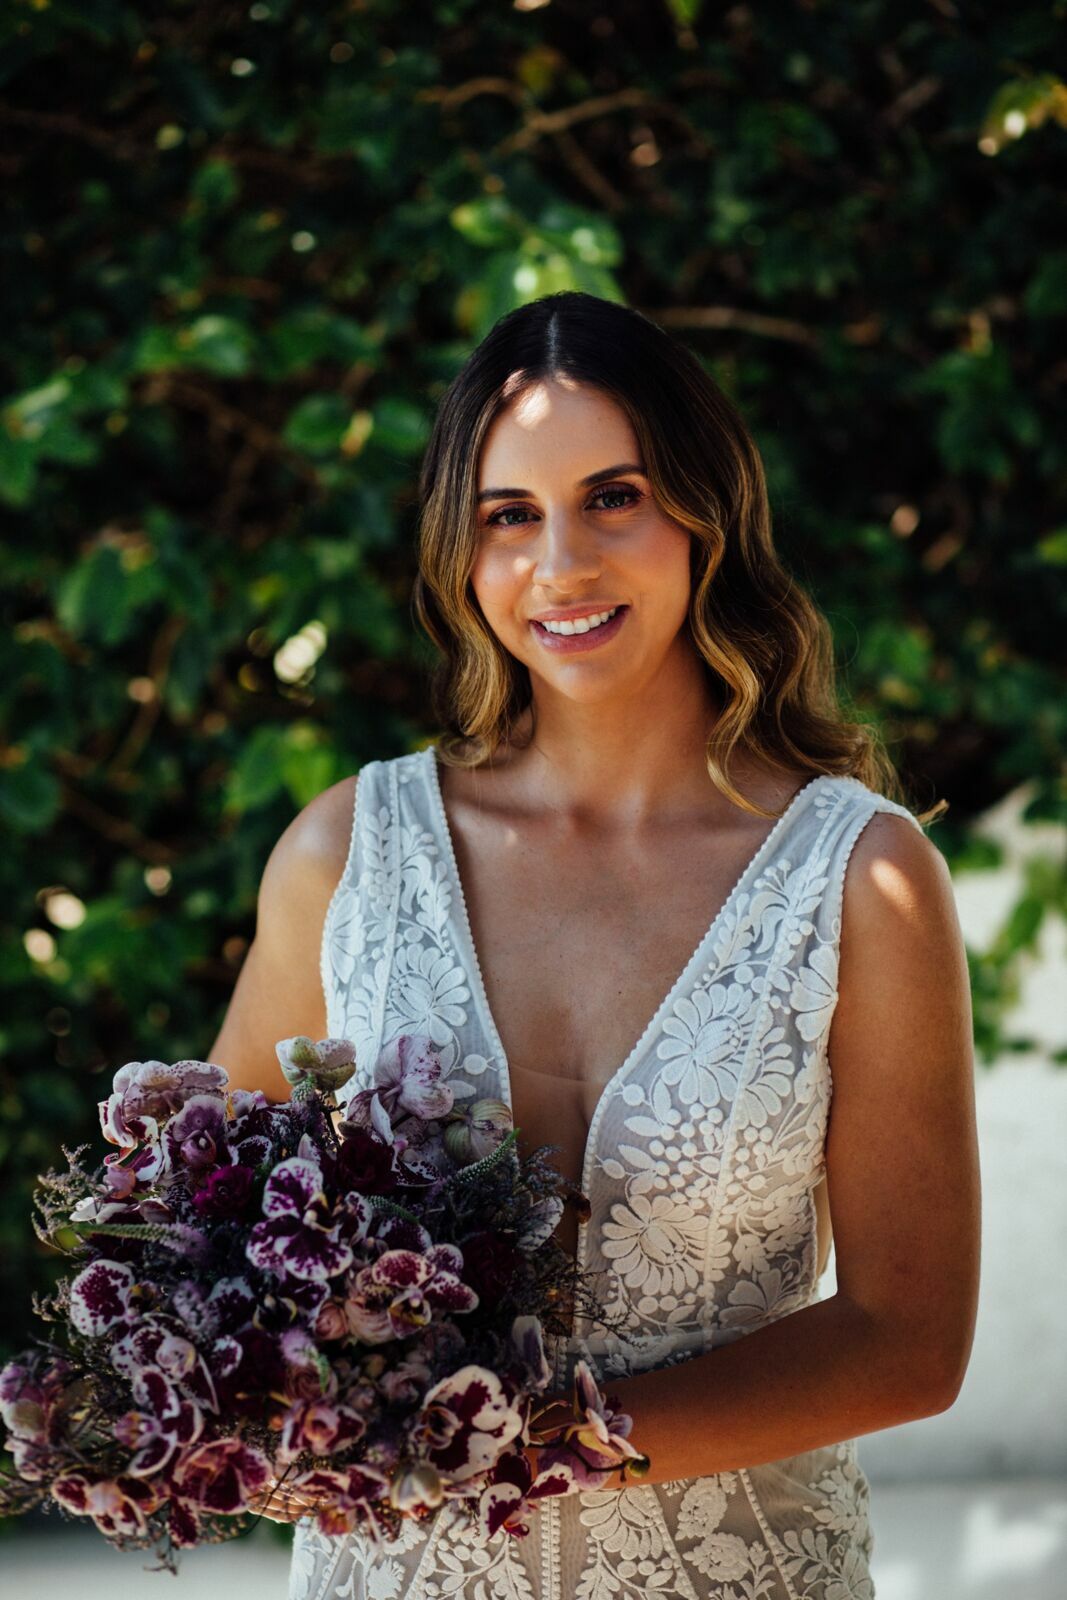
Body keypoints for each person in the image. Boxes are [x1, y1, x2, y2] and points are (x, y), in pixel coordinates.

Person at [207, 291, 980, 1600]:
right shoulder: (348, 858)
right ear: (463, 552)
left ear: (702, 515)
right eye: (510, 516)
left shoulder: (859, 878)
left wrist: (537, 1447)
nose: (559, 562)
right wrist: (250, 1415)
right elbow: (209, 1241)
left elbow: (908, 1339)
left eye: (612, 496)